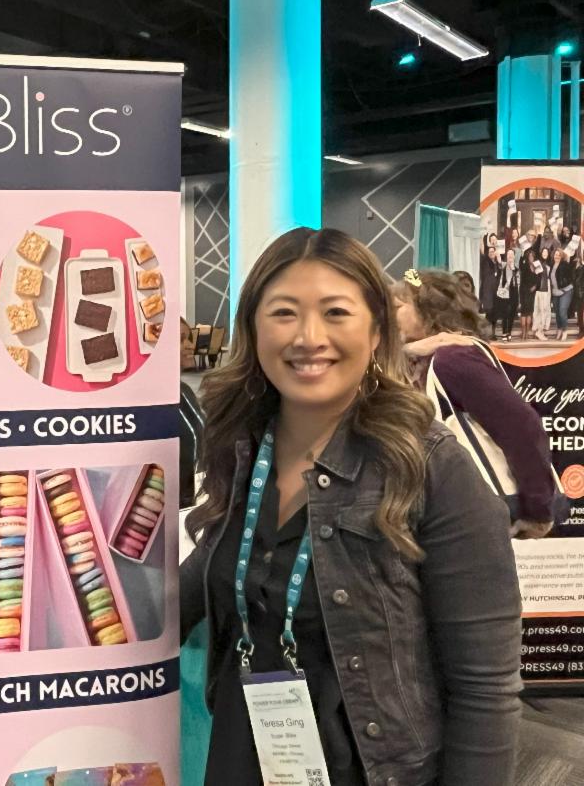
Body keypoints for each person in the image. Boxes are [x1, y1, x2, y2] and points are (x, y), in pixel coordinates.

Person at [180, 228, 521, 786]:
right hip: (246, 749)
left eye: (336, 312)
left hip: (370, 766)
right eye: (284, 313)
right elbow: (220, 566)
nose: (308, 337)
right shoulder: (242, 446)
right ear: (253, 329)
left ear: (377, 329)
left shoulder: (430, 467)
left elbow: (485, 689)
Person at [392, 268, 557, 536]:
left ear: (426, 308)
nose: (389, 316)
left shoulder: (452, 358)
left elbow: (522, 427)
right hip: (457, 514)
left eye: (398, 307)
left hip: (473, 515)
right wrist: (405, 351)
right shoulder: (434, 359)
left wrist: (538, 509)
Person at [493, 248, 519, 341]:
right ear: (507, 256)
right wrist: (497, 254)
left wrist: (513, 270)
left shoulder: (516, 268)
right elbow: (499, 261)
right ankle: (504, 332)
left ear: (514, 256)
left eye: (512, 254)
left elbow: (517, 282)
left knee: (512, 314)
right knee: (505, 314)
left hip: (513, 293)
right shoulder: (503, 265)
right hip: (504, 293)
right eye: (509, 254)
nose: (510, 255)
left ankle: (509, 332)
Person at [552, 247, 575, 340]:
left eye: (559, 255)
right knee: (557, 313)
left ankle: (565, 330)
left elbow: (571, 277)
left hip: (566, 290)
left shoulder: (565, 265)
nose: (557, 256)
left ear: (562, 256)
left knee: (562, 311)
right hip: (555, 292)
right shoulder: (551, 265)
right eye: (555, 254)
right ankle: (559, 329)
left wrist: (564, 287)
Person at [533, 246, 553, 339]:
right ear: (541, 253)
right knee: (541, 309)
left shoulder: (549, 263)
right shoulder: (538, 263)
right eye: (543, 252)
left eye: (546, 252)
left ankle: (541, 330)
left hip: (547, 287)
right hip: (541, 288)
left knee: (546, 309)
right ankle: (539, 331)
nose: (545, 254)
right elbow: (536, 276)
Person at [519, 246, 538, 340]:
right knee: (524, 312)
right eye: (529, 256)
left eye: (532, 256)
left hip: (532, 292)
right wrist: (522, 255)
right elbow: (520, 266)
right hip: (524, 291)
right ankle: (523, 332)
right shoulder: (524, 265)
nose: (531, 257)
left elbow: (539, 278)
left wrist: (535, 286)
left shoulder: (537, 266)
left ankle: (527, 332)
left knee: (530, 312)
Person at [477, 244, 499, 325]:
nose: (492, 253)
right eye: (490, 252)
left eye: (493, 251)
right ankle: (488, 330)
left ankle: (493, 330)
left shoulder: (498, 263)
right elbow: (482, 254)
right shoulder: (485, 262)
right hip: (487, 291)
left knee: (495, 313)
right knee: (488, 312)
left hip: (496, 292)